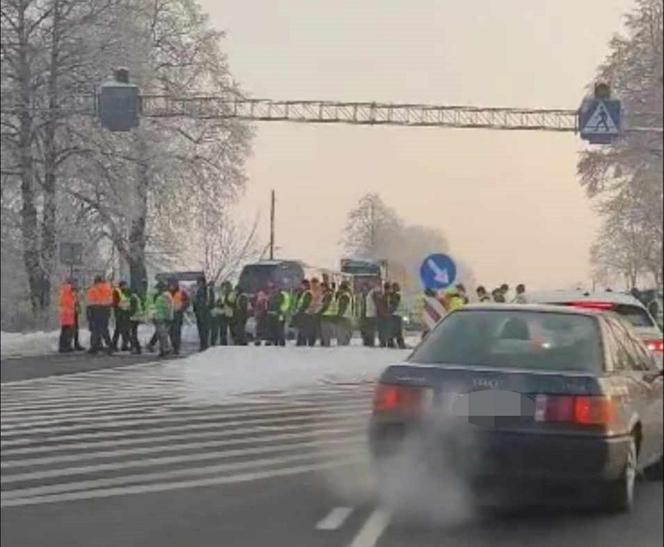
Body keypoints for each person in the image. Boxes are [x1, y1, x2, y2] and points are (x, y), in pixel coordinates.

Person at [86, 275, 113, 354]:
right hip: (105, 310)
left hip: (95, 310)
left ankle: (94, 346)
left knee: (95, 329)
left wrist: (89, 314)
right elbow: (110, 301)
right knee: (105, 329)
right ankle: (109, 345)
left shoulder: (92, 289)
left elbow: (89, 302)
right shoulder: (108, 288)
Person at [152, 281, 173, 357]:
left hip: (163, 318)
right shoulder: (159, 296)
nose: (157, 289)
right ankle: (163, 349)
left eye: (158, 288)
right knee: (160, 335)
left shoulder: (165, 296)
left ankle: (166, 349)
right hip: (158, 317)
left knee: (163, 334)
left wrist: (168, 317)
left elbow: (168, 308)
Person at [168, 279, 189, 355]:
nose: (172, 286)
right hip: (169, 314)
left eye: (173, 284)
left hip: (178, 314)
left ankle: (176, 348)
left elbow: (187, 302)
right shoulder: (167, 293)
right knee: (170, 331)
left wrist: (181, 308)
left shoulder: (181, 292)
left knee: (176, 331)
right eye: (170, 284)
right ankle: (174, 346)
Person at [111, 281, 132, 351]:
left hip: (125, 313)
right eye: (125, 285)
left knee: (125, 329)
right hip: (120, 313)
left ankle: (123, 345)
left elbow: (128, 301)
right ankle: (115, 345)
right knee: (120, 329)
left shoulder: (127, 292)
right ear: (121, 286)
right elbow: (115, 303)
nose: (126, 287)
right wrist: (124, 307)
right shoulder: (117, 291)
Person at [192, 276, 210, 351]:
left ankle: (204, 345)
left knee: (203, 330)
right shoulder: (202, 290)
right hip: (201, 313)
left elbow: (201, 303)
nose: (198, 284)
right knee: (202, 330)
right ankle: (204, 344)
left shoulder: (203, 290)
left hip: (202, 313)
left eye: (199, 282)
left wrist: (195, 301)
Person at [58, 279, 76, 353]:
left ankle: (62, 346)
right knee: (68, 331)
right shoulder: (69, 291)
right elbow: (71, 302)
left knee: (64, 330)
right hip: (68, 314)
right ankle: (66, 346)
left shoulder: (63, 291)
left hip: (63, 313)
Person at [293, 279, 312, 346]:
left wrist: (300, 310)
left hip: (304, 313)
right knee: (300, 328)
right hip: (300, 313)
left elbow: (305, 304)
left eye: (302, 285)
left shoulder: (307, 293)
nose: (301, 286)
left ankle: (302, 342)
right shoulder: (302, 293)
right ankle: (299, 342)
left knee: (303, 329)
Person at [387, 282, 406, 349]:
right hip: (397, 314)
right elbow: (394, 305)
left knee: (394, 330)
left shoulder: (396, 295)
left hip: (395, 314)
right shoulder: (396, 295)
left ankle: (392, 343)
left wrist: (389, 312)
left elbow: (394, 305)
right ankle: (399, 344)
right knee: (397, 331)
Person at [336, 281, 354, 346]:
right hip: (348, 315)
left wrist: (339, 314)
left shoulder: (344, 295)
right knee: (347, 331)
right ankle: (344, 342)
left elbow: (342, 306)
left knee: (342, 331)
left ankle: (342, 342)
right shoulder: (349, 294)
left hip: (344, 315)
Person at [128, 287, 144, 354]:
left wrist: (129, 314)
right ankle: (137, 348)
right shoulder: (137, 297)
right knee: (134, 333)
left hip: (134, 317)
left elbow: (133, 308)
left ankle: (136, 348)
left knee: (133, 333)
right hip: (137, 317)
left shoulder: (133, 298)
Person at [376, 282, 392, 347]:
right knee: (387, 330)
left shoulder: (382, 296)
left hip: (381, 316)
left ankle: (383, 342)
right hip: (386, 316)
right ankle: (388, 342)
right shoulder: (389, 296)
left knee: (382, 330)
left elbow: (379, 306)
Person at [71, 282, 85, 351]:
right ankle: (74, 344)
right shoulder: (72, 296)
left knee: (75, 329)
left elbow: (77, 307)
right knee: (73, 329)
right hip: (71, 314)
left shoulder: (74, 297)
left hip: (73, 313)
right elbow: (75, 306)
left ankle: (75, 344)